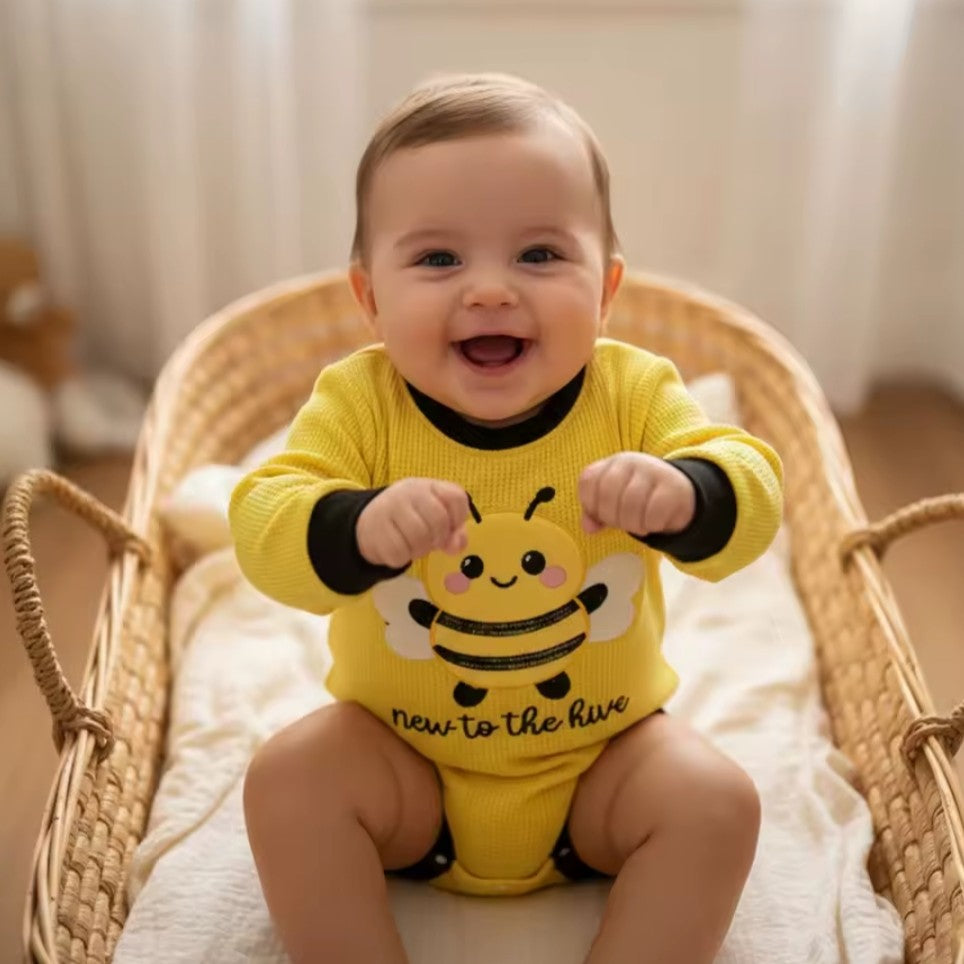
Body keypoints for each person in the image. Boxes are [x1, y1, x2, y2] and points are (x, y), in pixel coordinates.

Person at [229, 72, 784, 963]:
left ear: (604, 291)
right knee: (289, 780)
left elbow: (752, 485)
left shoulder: (634, 392)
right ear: (369, 299)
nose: (490, 290)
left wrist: (688, 492)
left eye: (537, 255)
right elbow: (263, 521)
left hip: (600, 769)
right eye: (439, 259)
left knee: (717, 802)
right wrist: (354, 525)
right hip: (405, 776)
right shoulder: (359, 403)